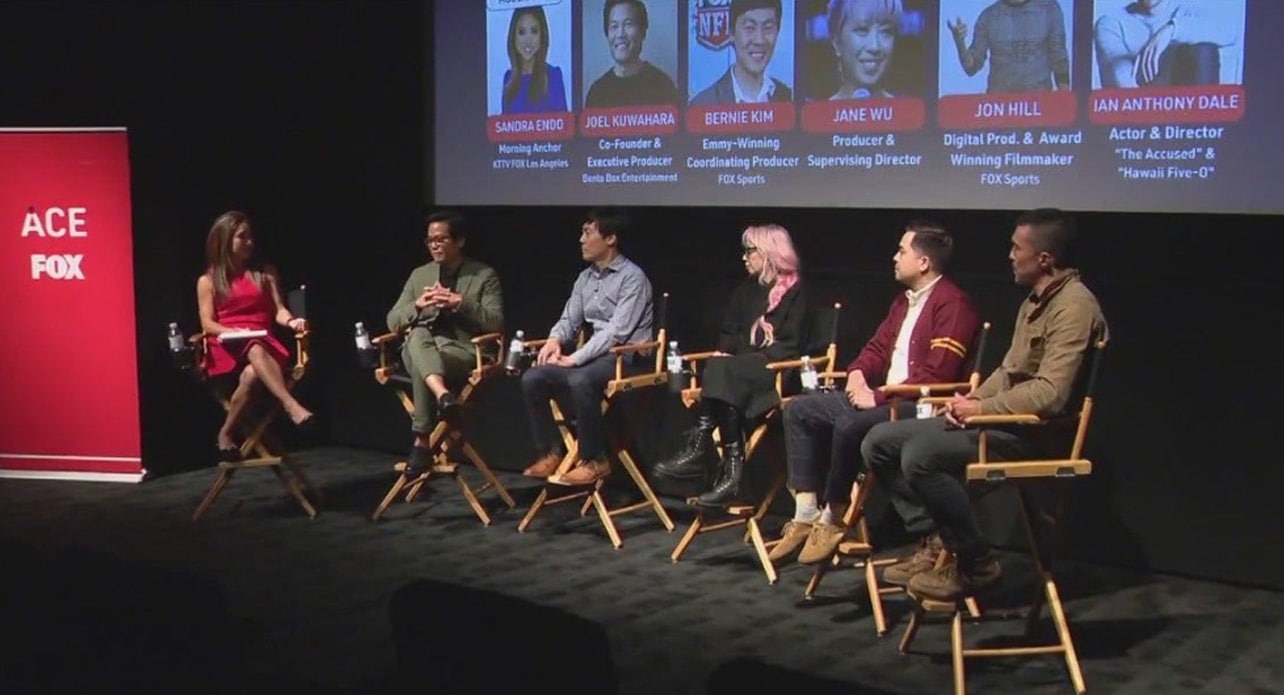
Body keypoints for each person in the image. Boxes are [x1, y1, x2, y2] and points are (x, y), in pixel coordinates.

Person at [860, 208, 1107, 602]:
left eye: (1016, 247)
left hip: (1033, 434)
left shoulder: (1075, 307)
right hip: (1004, 423)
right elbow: (1009, 372)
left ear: (1044, 258)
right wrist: (973, 398)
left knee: (921, 454)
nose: (1009, 255)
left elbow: (1050, 394)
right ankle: (935, 539)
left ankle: (975, 562)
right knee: (880, 440)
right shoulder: (1035, 301)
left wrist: (982, 410)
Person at [769, 221, 980, 565]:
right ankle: (806, 513)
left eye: (901, 251)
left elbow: (937, 374)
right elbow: (876, 349)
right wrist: (855, 374)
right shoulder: (903, 302)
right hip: (884, 399)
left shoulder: (953, 304)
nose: (894, 257)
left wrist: (878, 397)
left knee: (852, 425)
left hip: (919, 406)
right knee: (800, 409)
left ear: (924, 262)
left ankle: (833, 516)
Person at [652, 224, 806, 508]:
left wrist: (742, 360)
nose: (744, 258)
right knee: (720, 367)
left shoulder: (794, 291)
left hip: (775, 373)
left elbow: (792, 344)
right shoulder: (744, 291)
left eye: (750, 252)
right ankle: (732, 474)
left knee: (723, 371)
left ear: (770, 253)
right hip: (739, 375)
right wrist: (727, 355)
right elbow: (729, 335)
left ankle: (702, 449)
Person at [520, 208, 654, 486]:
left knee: (580, 379)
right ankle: (551, 451)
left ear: (610, 238)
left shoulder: (633, 278)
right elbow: (570, 319)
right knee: (534, 377)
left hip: (625, 358)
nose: (581, 240)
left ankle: (594, 459)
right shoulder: (585, 278)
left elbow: (618, 332)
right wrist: (555, 340)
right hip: (595, 358)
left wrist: (575, 358)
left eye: (588, 233)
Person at [386, 211, 504, 475]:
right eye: (430, 241)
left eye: (441, 239)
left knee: (420, 362)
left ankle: (421, 441)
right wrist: (416, 307)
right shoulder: (420, 275)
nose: (435, 245)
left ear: (459, 241)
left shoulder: (484, 275)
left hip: (463, 352)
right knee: (416, 336)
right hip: (421, 347)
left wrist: (459, 303)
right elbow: (392, 321)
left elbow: (495, 322)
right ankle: (443, 396)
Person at [196, 211, 313, 461]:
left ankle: (225, 433)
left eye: (251, 237)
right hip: (226, 345)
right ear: (225, 240)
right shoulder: (208, 281)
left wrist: (292, 321)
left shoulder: (265, 273)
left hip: (262, 342)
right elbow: (207, 323)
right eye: (242, 237)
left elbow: (278, 309)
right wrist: (235, 332)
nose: (250, 242)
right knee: (253, 346)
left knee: (252, 369)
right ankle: (289, 404)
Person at [1093, 0, 1240, 89]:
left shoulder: (1187, 12)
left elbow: (1230, 32)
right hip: (1137, 128)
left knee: (1203, 50)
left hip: (1194, 125)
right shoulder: (1111, 23)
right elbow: (1122, 85)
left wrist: (1172, 29)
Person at [946, 0, 1070, 93]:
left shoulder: (1050, 10)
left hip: (1039, 106)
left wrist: (1063, 108)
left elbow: (1060, 62)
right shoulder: (988, 17)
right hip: (998, 110)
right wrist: (960, 43)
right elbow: (971, 68)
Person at [690, 0, 794, 106]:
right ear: (731, 33)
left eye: (768, 28)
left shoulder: (790, 99)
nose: (759, 40)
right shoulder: (702, 106)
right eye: (749, 28)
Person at [585, 0, 679, 108]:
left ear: (642, 32)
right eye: (614, 26)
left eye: (628, 24)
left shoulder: (663, 86)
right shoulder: (597, 92)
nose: (620, 34)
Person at [828, 0, 901, 100]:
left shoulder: (908, 113)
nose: (875, 46)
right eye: (862, 30)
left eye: (885, 31)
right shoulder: (818, 114)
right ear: (836, 42)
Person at [501, 6, 569, 114]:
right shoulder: (508, 79)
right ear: (513, 37)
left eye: (534, 31)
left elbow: (563, 125)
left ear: (542, 35)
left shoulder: (553, 76)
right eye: (522, 32)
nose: (528, 40)